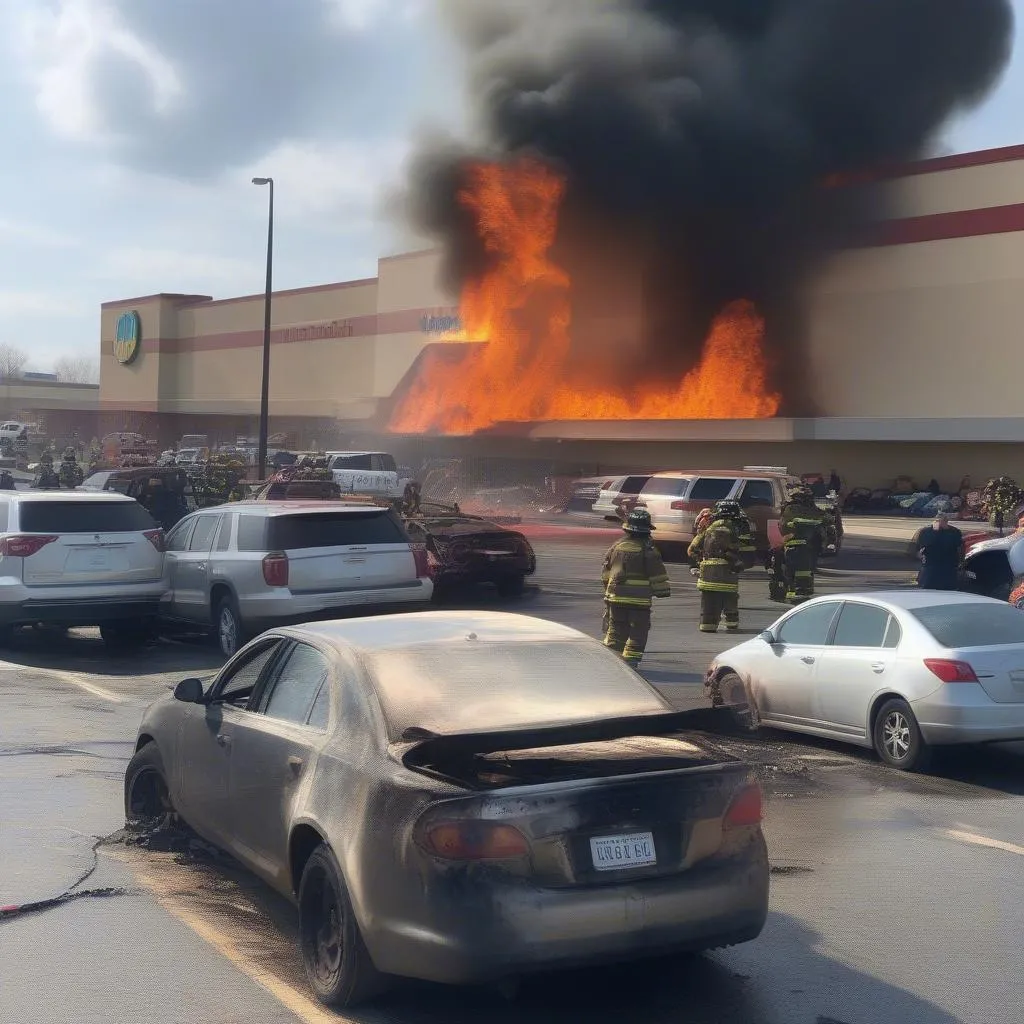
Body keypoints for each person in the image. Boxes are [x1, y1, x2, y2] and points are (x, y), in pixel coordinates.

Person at [601, 508, 671, 668]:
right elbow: (657, 573)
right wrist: (662, 591)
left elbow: (606, 570)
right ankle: (631, 662)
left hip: (615, 598)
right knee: (638, 631)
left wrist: (608, 589)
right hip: (639, 602)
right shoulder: (649, 550)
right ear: (647, 530)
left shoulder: (616, 547)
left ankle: (613, 661)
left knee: (616, 629)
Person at [688, 500, 746, 633]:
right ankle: (731, 623)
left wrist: (702, 561)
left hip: (707, 575)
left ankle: (707, 625)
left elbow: (691, 550)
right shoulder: (735, 530)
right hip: (728, 575)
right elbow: (741, 550)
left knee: (708, 602)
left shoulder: (707, 530)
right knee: (730, 600)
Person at [779, 485, 826, 604]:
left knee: (792, 571)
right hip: (811, 547)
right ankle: (804, 591)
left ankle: (794, 592)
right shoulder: (814, 510)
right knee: (807, 570)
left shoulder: (790, 509)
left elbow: (782, 527)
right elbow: (826, 522)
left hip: (794, 546)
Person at [916, 512, 963, 590]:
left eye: (941, 521)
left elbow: (959, 546)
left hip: (948, 564)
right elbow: (921, 546)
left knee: (948, 587)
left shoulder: (954, 532)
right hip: (931, 563)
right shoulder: (926, 532)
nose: (939, 523)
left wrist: (959, 561)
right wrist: (935, 532)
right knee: (928, 586)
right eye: (937, 521)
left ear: (946, 522)